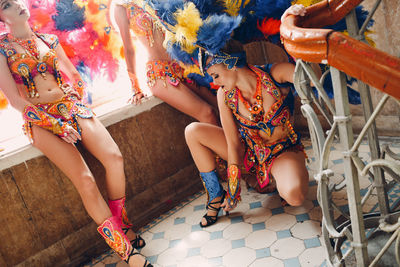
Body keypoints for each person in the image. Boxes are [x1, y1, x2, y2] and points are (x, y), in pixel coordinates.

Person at [0, 1, 151, 266]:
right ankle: (126, 251)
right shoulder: (2, 49)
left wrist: (75, 91)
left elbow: (74, 76)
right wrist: (57, 125)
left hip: (70, 107)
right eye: (6, 4)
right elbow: (15, 101)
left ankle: (122, 224)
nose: (17, 5)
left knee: (114, 158)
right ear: (2, 17)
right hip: (39, 121)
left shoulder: (48, 39)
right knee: (86, 180)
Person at [184, 4, 311, 228]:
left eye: (215, 75)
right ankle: (216, 196)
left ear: (231, 63)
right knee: (193, 131)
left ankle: (282, 178)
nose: (214, 82)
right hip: (250, 155)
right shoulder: (225, 95)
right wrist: (233, 185)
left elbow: (309, 77)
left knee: (294, 196)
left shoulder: (275, 75)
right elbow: (233, 144)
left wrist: (293, 27)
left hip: (282, 152)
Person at [112, 0, 218, 125]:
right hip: (159, 74)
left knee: (222, 106)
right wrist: (135, 87)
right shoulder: (121, 8)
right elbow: (129, 49)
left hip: (183, 66)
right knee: (208, 113)